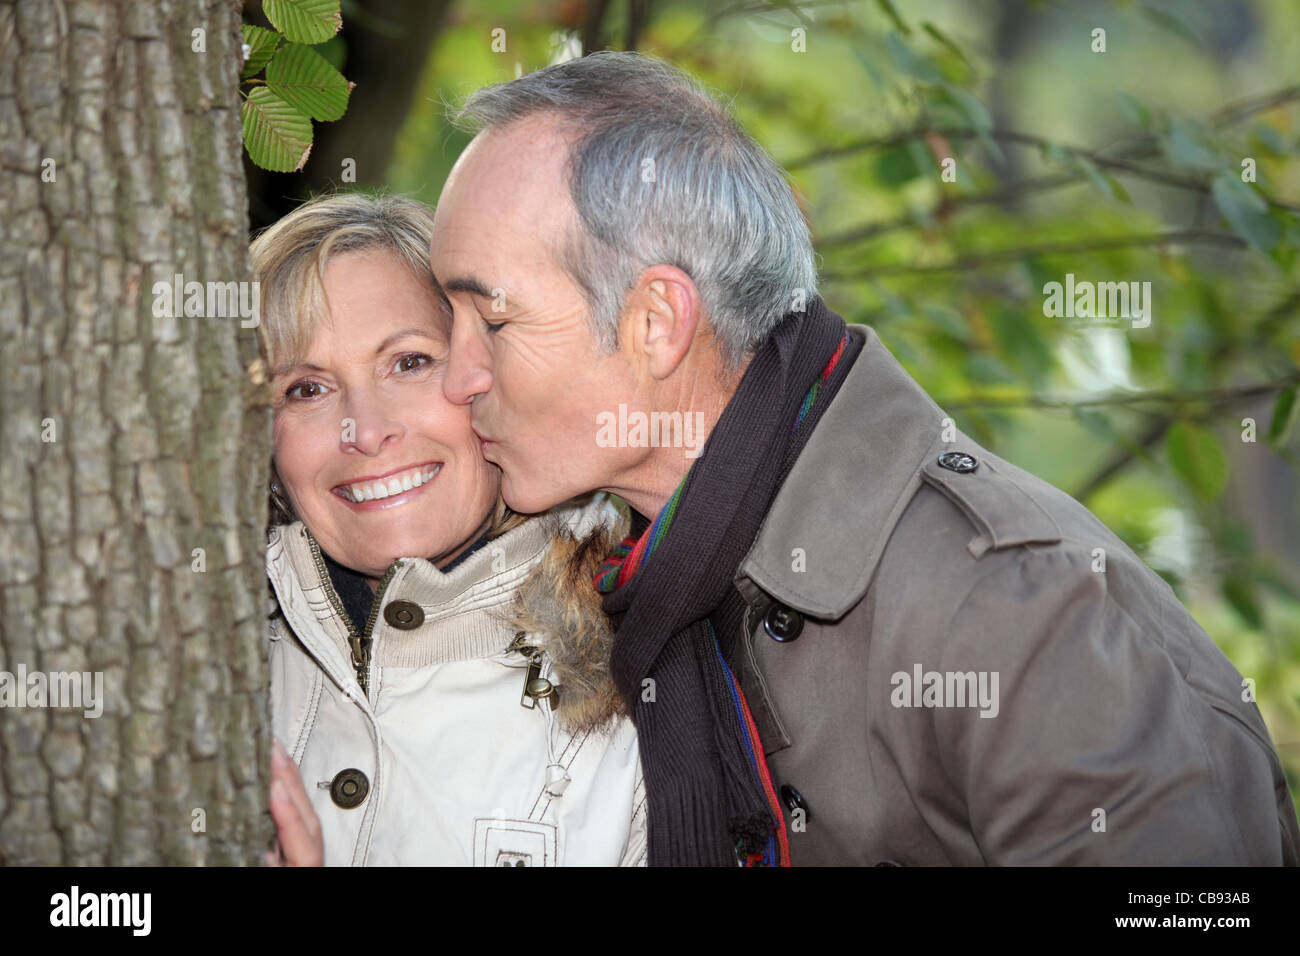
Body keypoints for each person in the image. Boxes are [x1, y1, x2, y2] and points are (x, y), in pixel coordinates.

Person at [430, 51, 1300, 866]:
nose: (457, 377)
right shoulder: (644, 572)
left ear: (656, 324)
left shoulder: (1013, 612)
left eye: (494, 322)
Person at [251, 192, 645, 866]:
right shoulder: (193, 654)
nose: (367, 431)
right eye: (306, 389)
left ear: (485, 376)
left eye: (408, 362)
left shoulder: (647, 675)